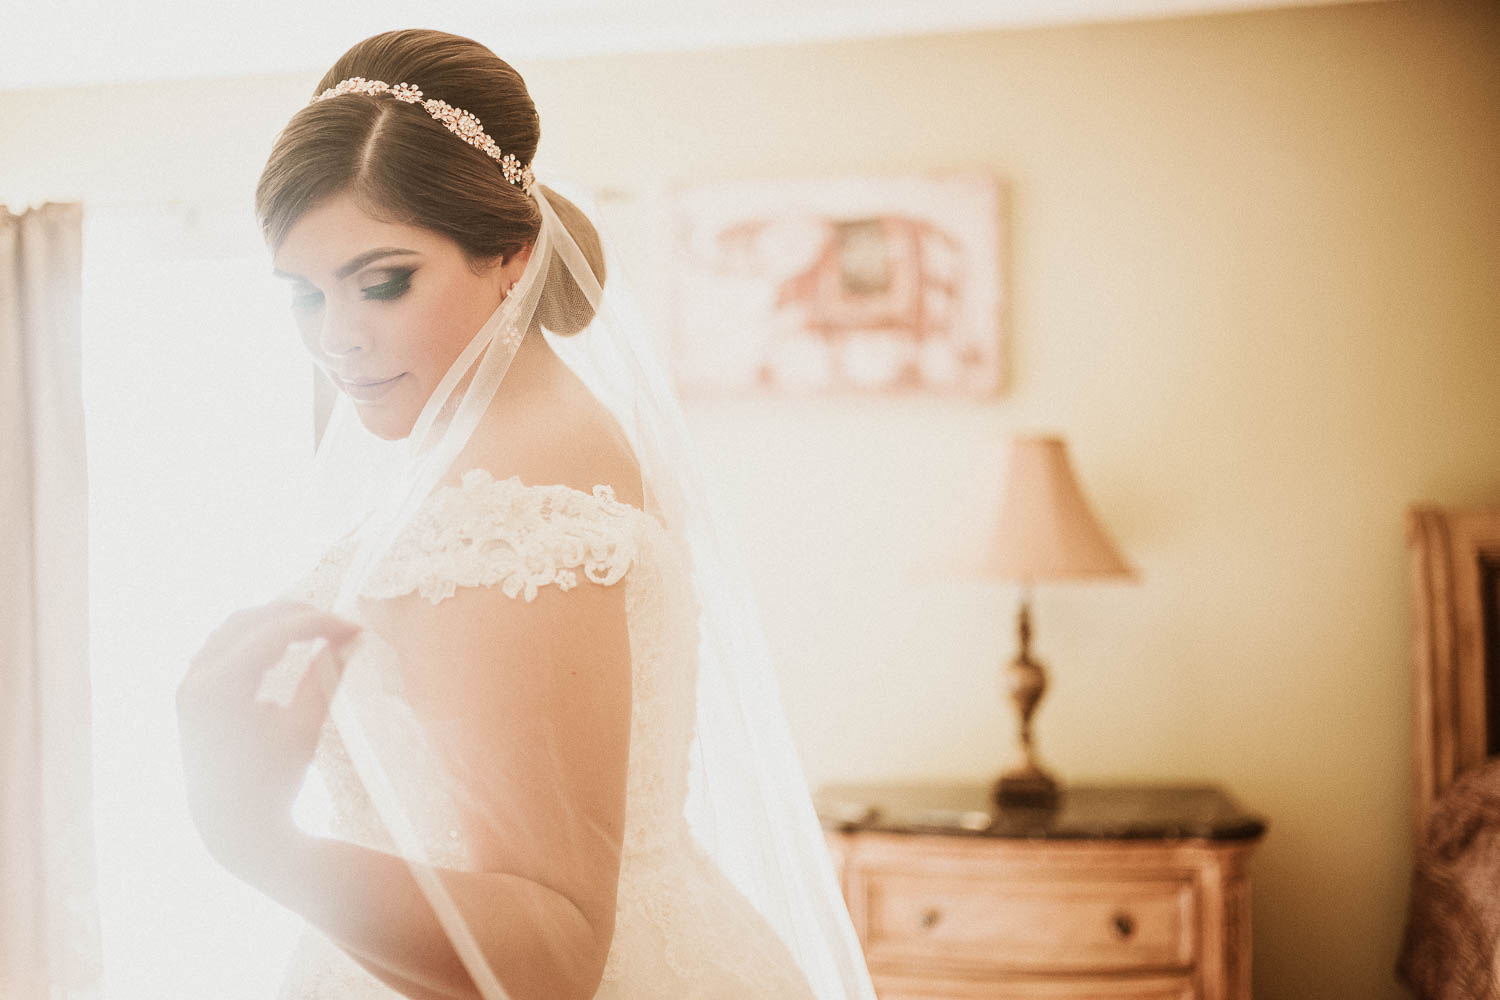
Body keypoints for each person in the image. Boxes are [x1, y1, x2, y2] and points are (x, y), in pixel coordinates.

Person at [172, 27, 878, 1000]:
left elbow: (552, 960)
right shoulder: (522, 436)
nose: (337, 338)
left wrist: (254, 839)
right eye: (304, 293)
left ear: (511, 252)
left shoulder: (521, 500)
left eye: (384, 281)